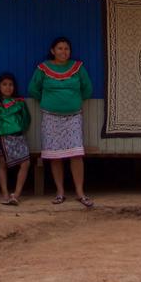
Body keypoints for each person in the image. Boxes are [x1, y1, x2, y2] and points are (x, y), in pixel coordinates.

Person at [29, 36, 93, 208]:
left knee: (76, 154)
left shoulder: (78, 67)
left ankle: (80, 193)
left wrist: (73, 101)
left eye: (66, 49)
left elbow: (87, 89)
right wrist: (50, 101)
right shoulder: (43, 68)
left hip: (73, 117)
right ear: (52, 51)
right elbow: (33, 89)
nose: (63, 52)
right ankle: (60, 192)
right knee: (55, 155)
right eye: (60, 48)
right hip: (50, 117)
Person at [0, 72, 32, 206]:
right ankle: (5, 194)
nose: (8, 87)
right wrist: (1, 131)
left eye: (11, 84)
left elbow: (26, 119)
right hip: (2, 138)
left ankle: (16, 194)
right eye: (4, 84)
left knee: (25, 163)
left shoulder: (20, 102)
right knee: (2, 164)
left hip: (18, 137)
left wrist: (17, 129)